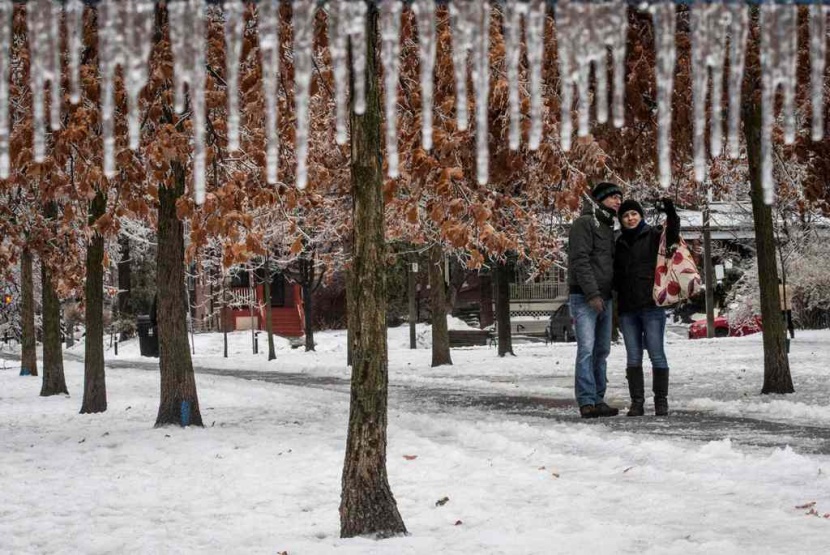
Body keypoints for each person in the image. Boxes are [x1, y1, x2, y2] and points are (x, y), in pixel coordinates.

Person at [613, 198, 679, 417]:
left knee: (656, 353)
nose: (630, 218)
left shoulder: (654, 235)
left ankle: (661, 401)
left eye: (634, 214)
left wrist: (670, 212)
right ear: (621, 220)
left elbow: (672, 235)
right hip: (627, 308)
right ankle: (637, 402)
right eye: (625, 215)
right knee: (633, 356)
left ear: (640, 216)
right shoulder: (618, 242)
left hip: (651, 306)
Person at [568, 182, 623, 419]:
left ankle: (598, 398)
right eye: (613, 197)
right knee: (587, 350)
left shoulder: (609, 226)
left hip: (606, 298)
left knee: (602, 350)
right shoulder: (585, 223)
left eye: (620, 197)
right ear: (600, 199)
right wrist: (591, 294)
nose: (618, 201)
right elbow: (580, 260)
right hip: (585, 297)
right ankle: (586, 401)